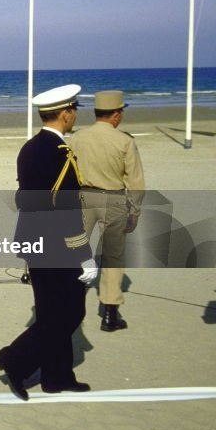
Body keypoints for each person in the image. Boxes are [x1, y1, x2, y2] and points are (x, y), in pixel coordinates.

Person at [0, 84, 97, 401]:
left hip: (33, 237)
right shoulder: (59, 152)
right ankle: (14, 358)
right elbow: (66, 207)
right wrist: (84, 254)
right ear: (65, 113)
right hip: (57, 243)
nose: (75, 114)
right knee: (67, 314)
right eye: (74, 109)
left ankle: (57, 376)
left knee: (53, 311)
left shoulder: (29, 148)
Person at [69, 90, 145, 332]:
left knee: (76, 251)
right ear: (115, 115)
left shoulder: (78, 137)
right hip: (113, 199)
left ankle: (71, 302)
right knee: (113, 256)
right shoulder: (124, 141)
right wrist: (135, 211)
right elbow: (136, 182)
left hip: (83, 197)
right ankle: (110, 314)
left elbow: (69, 171)